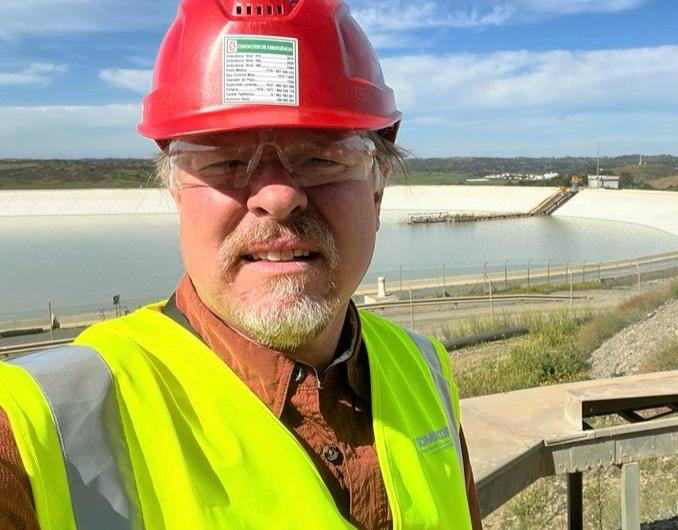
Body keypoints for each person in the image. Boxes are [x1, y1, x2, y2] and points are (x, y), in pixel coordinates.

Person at [0, 0, 481, 528]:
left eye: (322, 156)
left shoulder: (424, 369)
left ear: (378, 189)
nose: (278, 196)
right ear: (176, 190)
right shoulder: (34, 429)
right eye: (225, 160)